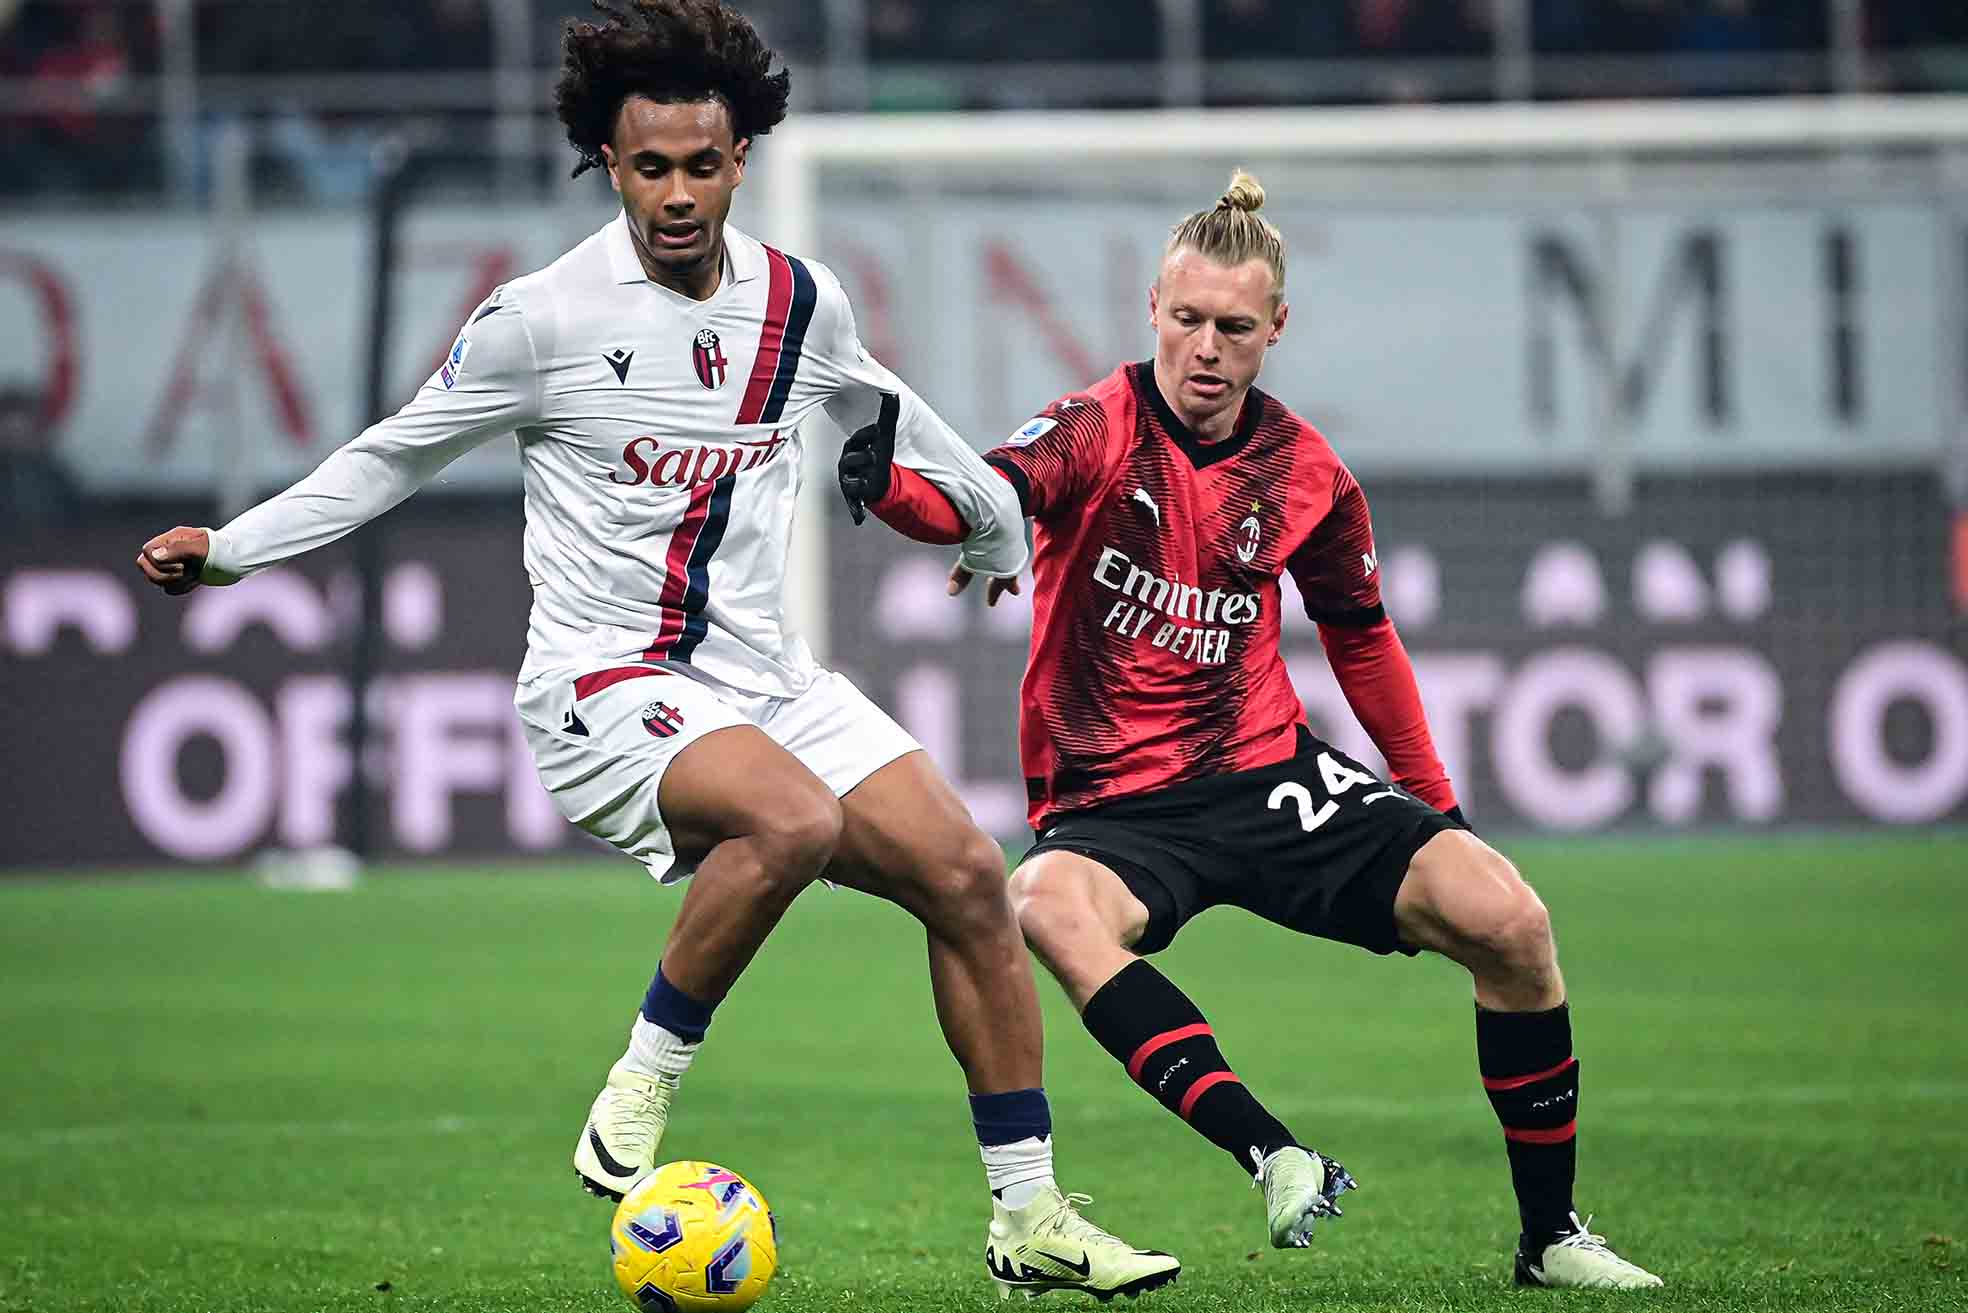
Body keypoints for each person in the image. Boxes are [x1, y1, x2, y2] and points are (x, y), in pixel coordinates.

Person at [133, 1, 1179, 1300]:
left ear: (741, 159)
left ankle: (1028, 1216)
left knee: (971, 877)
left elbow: (892, 409)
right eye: (649, 167)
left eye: (701, 165)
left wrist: (991, 521)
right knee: (789, 823)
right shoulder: (541, 320)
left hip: (765, 682)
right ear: (607, 164)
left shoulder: (800, 301)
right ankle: (641, 1081)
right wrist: (229, 548)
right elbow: (390, 456)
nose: (677, 194)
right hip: (600, 688)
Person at [842, 170, 1663, 1291]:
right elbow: (984, 498)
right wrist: (890, 487)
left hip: (1267, 772)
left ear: (1277, 327)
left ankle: (1552, 1235)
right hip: (1116, 805)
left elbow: (1362, 640)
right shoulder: (1094, 427)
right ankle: (1274, 1151)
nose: (1207, 347)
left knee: (1511, 921)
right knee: (1041, 901)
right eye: (1187, 320)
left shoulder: (1309, 471)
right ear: (1153, 309)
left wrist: (1440, 810)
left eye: (1234, 326)